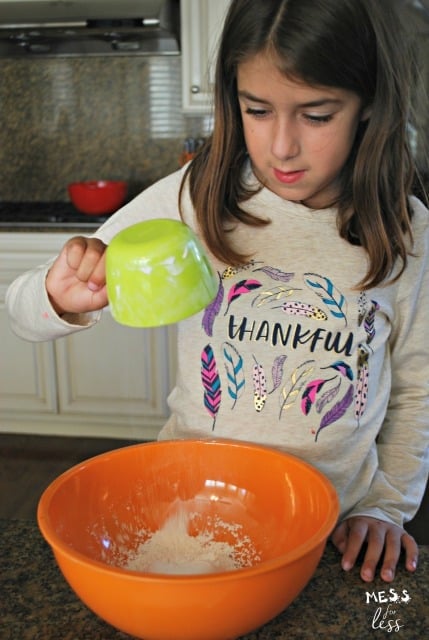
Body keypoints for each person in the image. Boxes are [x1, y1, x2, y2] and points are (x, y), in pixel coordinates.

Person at [6, 0, 429, 584]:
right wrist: (57, 298)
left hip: (333, 530)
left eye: (316, 115)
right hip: (192, 515)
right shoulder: (198, 197)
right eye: (257, 109)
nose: (281, 146)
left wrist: (387, 507)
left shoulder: (406, 231)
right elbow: (22, 315)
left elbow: (416, 388)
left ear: (369, 106)